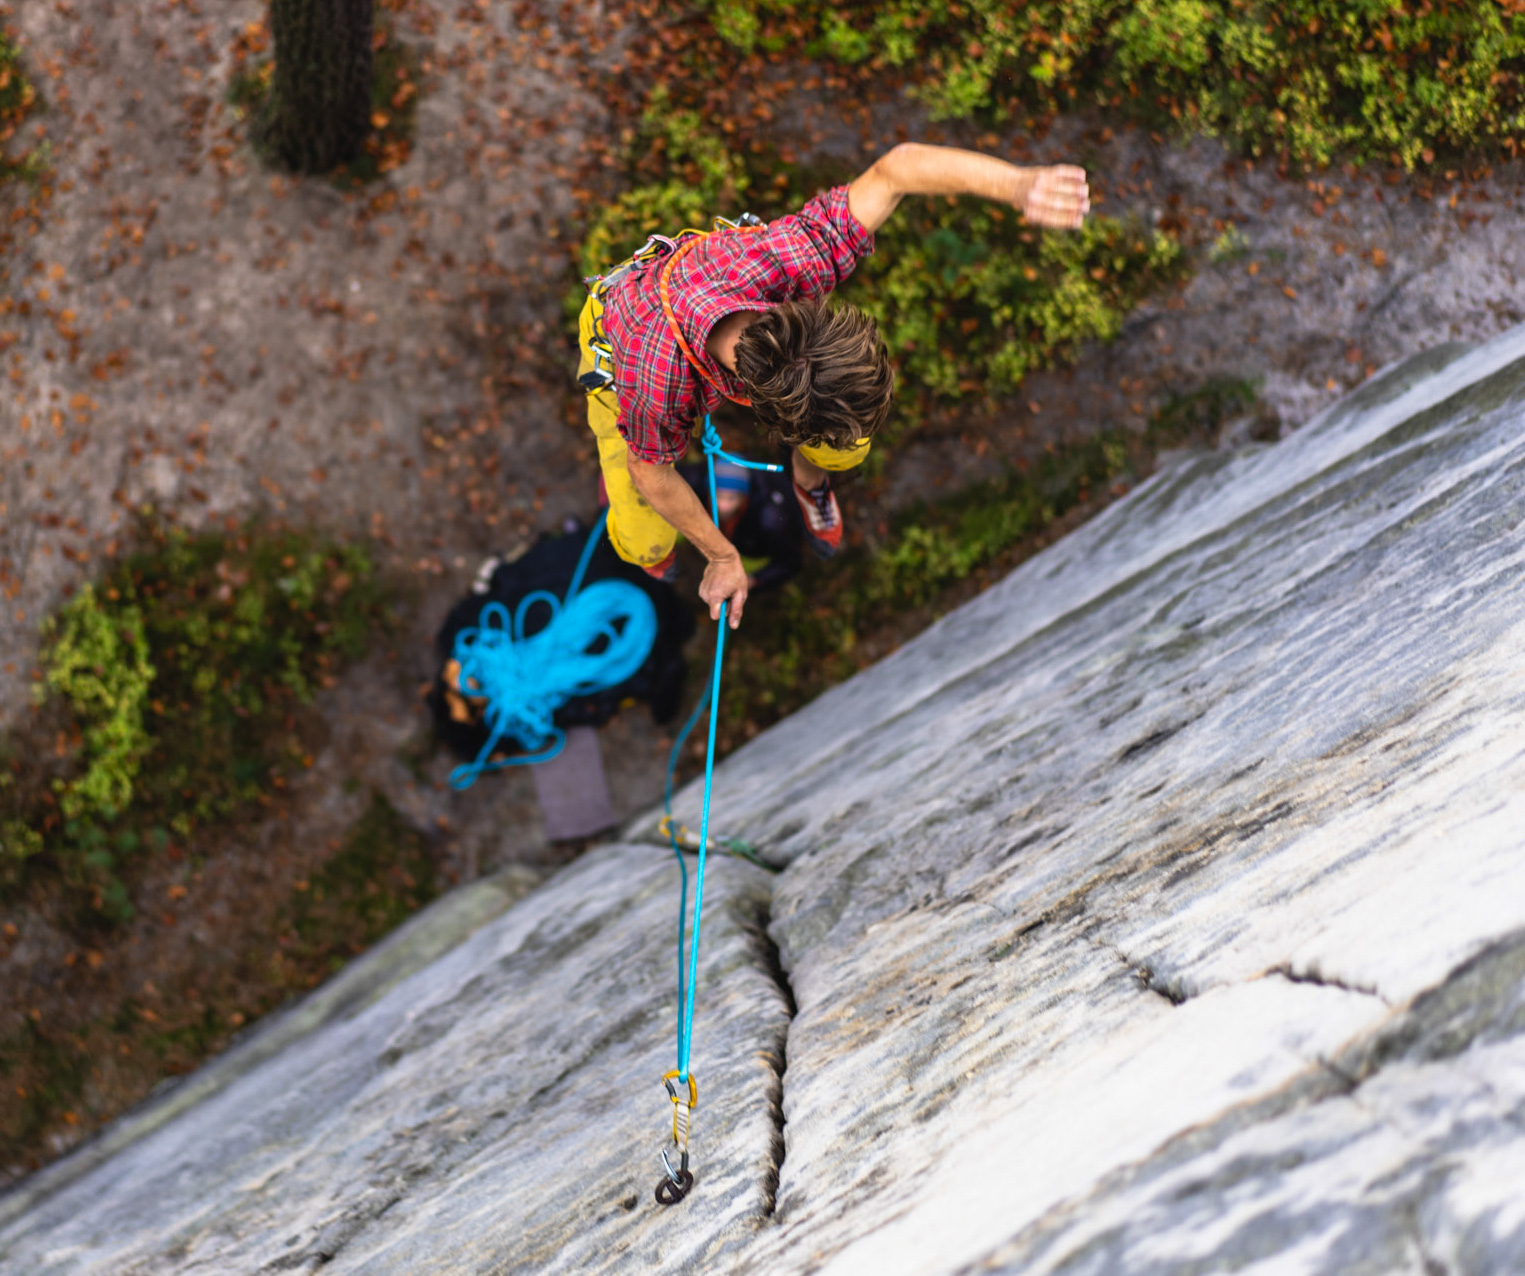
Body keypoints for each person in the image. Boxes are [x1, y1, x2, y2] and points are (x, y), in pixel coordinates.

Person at [577, 142, 1090, 629]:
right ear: (768, 417)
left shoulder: (790, 261)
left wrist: (1019, 185)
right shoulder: (653, 380)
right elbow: (653, 472)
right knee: (645, 539)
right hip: (619, 337)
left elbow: (899, 169)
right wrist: (721, 555)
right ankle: (640, 531)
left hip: (704, 298)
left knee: (847, 439)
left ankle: (810, 483)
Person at [679, 456, 805, 593]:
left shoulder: (769, 520)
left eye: (732, 498)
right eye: (718, 495)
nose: (723, 506)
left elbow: (790, 561)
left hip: (749, 551)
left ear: (744, 496)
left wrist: (754, 580)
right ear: (708, 490)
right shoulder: (691, 483)